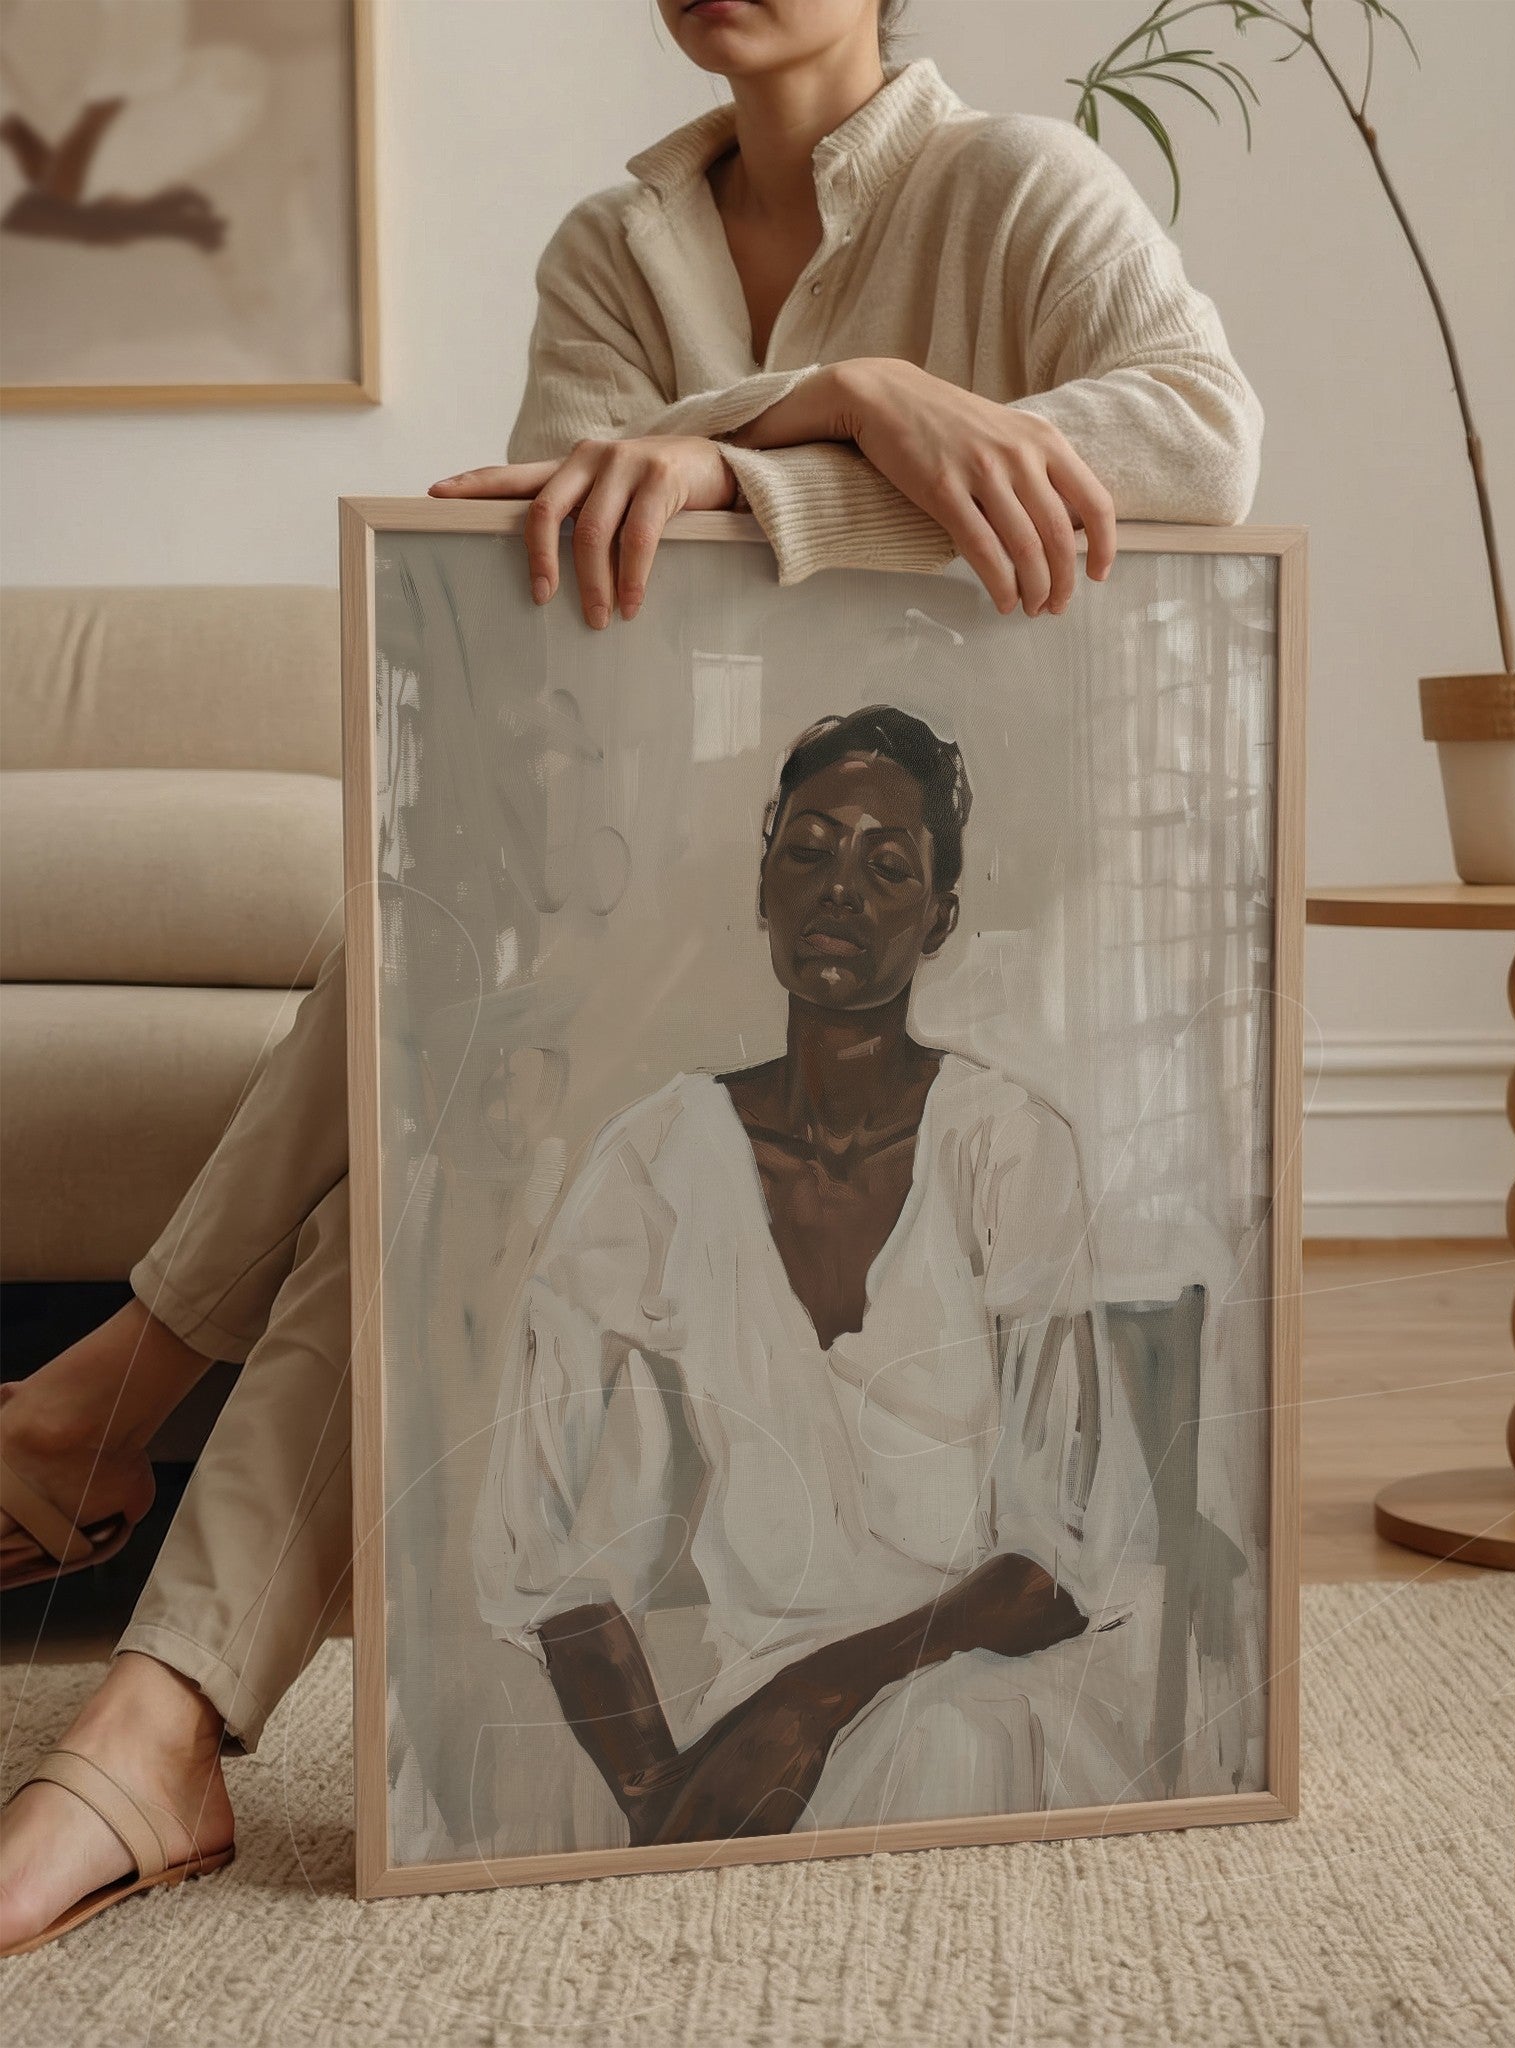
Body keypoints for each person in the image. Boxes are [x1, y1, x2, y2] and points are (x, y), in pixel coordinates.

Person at [0, 0, 1260, 1951]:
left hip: (962, 936)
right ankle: (158, 1715)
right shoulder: (614, 246)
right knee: (444, 1056)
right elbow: (547, 571)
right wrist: (851, 395)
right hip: (677, 919)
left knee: (455, 1024)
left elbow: (1197, 438)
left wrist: (782, 449)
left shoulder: (1014, 185)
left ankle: (124, 1438)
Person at [478, 706, 1156, 1845]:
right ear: (762, 887)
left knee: (938, 1738)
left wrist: (816, 1702)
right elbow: (536, 1538)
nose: (839, 886)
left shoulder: (1004, 1144)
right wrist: (659, 1792)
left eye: (886, 864)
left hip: (989, 1692)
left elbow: (1060, 1558)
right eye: (808, 849)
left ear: (938, 917)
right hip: (759, 1708)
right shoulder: (654, 1159)